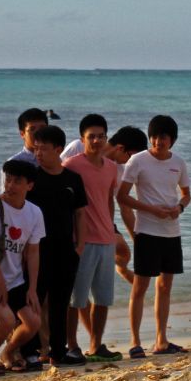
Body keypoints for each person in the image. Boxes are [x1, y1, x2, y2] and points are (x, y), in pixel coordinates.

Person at [118, 115, 191, 358]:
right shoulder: (138, 161)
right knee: (140, 287)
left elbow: (186, 194)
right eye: (155, 137)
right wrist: (152, 210)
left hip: (172, 231)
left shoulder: (178, 163)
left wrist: (178, 208)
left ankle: (162, 340)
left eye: (164, 137)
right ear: (150, 138)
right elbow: (122, 196)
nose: (159, 141)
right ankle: (135, 342)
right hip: (147, 230)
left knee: (165, 286)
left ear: (172, 140)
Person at [0, 159, 44, 375]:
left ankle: (8, 352)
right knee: (6, 320)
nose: (10, 185)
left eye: (17, 181)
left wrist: (32, 289)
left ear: (29, 186)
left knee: (33, 322)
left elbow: (32, 252)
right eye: (8, 179)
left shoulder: (34, 212)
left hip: (16, 279)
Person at [64, 114, 124, 362]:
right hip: (83, 241)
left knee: (103, 298)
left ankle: (96, 345)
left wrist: (112, 229)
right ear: (82, 139)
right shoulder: (71, 165)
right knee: (75, 298)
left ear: (106, 138)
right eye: (91, 136)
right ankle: (71, 345)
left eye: (101, 136)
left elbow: (109, 200)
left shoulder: (111, 168)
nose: (97, 140)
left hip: (105, 240)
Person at [26, 124, 88, 367]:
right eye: (36, 148)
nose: (38, 153)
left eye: (44, 149)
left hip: (66, 249)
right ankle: (30, 353)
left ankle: (58, 352)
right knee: (34, 300)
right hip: (36, 250)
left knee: (61, 302)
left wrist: (80, 246)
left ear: (59, 150)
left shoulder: (72, 179)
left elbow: (80, 214)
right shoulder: (32, 179)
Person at [63, 125, 147, 284]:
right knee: (79, 279)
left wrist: (139, 243)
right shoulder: (78, 147)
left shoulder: (119, 170)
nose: (133, 163)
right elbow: (56, 170)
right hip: (75, 219)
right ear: (121, 148)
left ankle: (120, 269)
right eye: (132, 157)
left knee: (123, 252)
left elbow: (126, 209)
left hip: (102, 219)